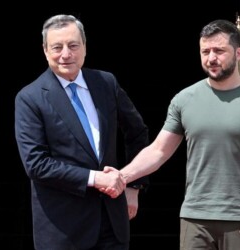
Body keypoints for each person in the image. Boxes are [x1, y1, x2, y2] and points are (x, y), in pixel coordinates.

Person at [115, 19, 240, 250]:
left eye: (219, 51)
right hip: (195, 218)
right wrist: (122, 176)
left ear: (238, 53)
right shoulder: (184, 100)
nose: (211, 58)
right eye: (205, 51)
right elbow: (158, 151)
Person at [14, 14, 149, 250]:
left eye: (73, 45)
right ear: (45, 51)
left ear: (85, 47)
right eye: (57, 47)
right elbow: (36, 164)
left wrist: (132, 184)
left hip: (112, 223)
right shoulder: (30, 98)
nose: (66, 54)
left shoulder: (106, 83)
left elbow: (137, 132)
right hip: (63, 230)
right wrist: (97, 178)